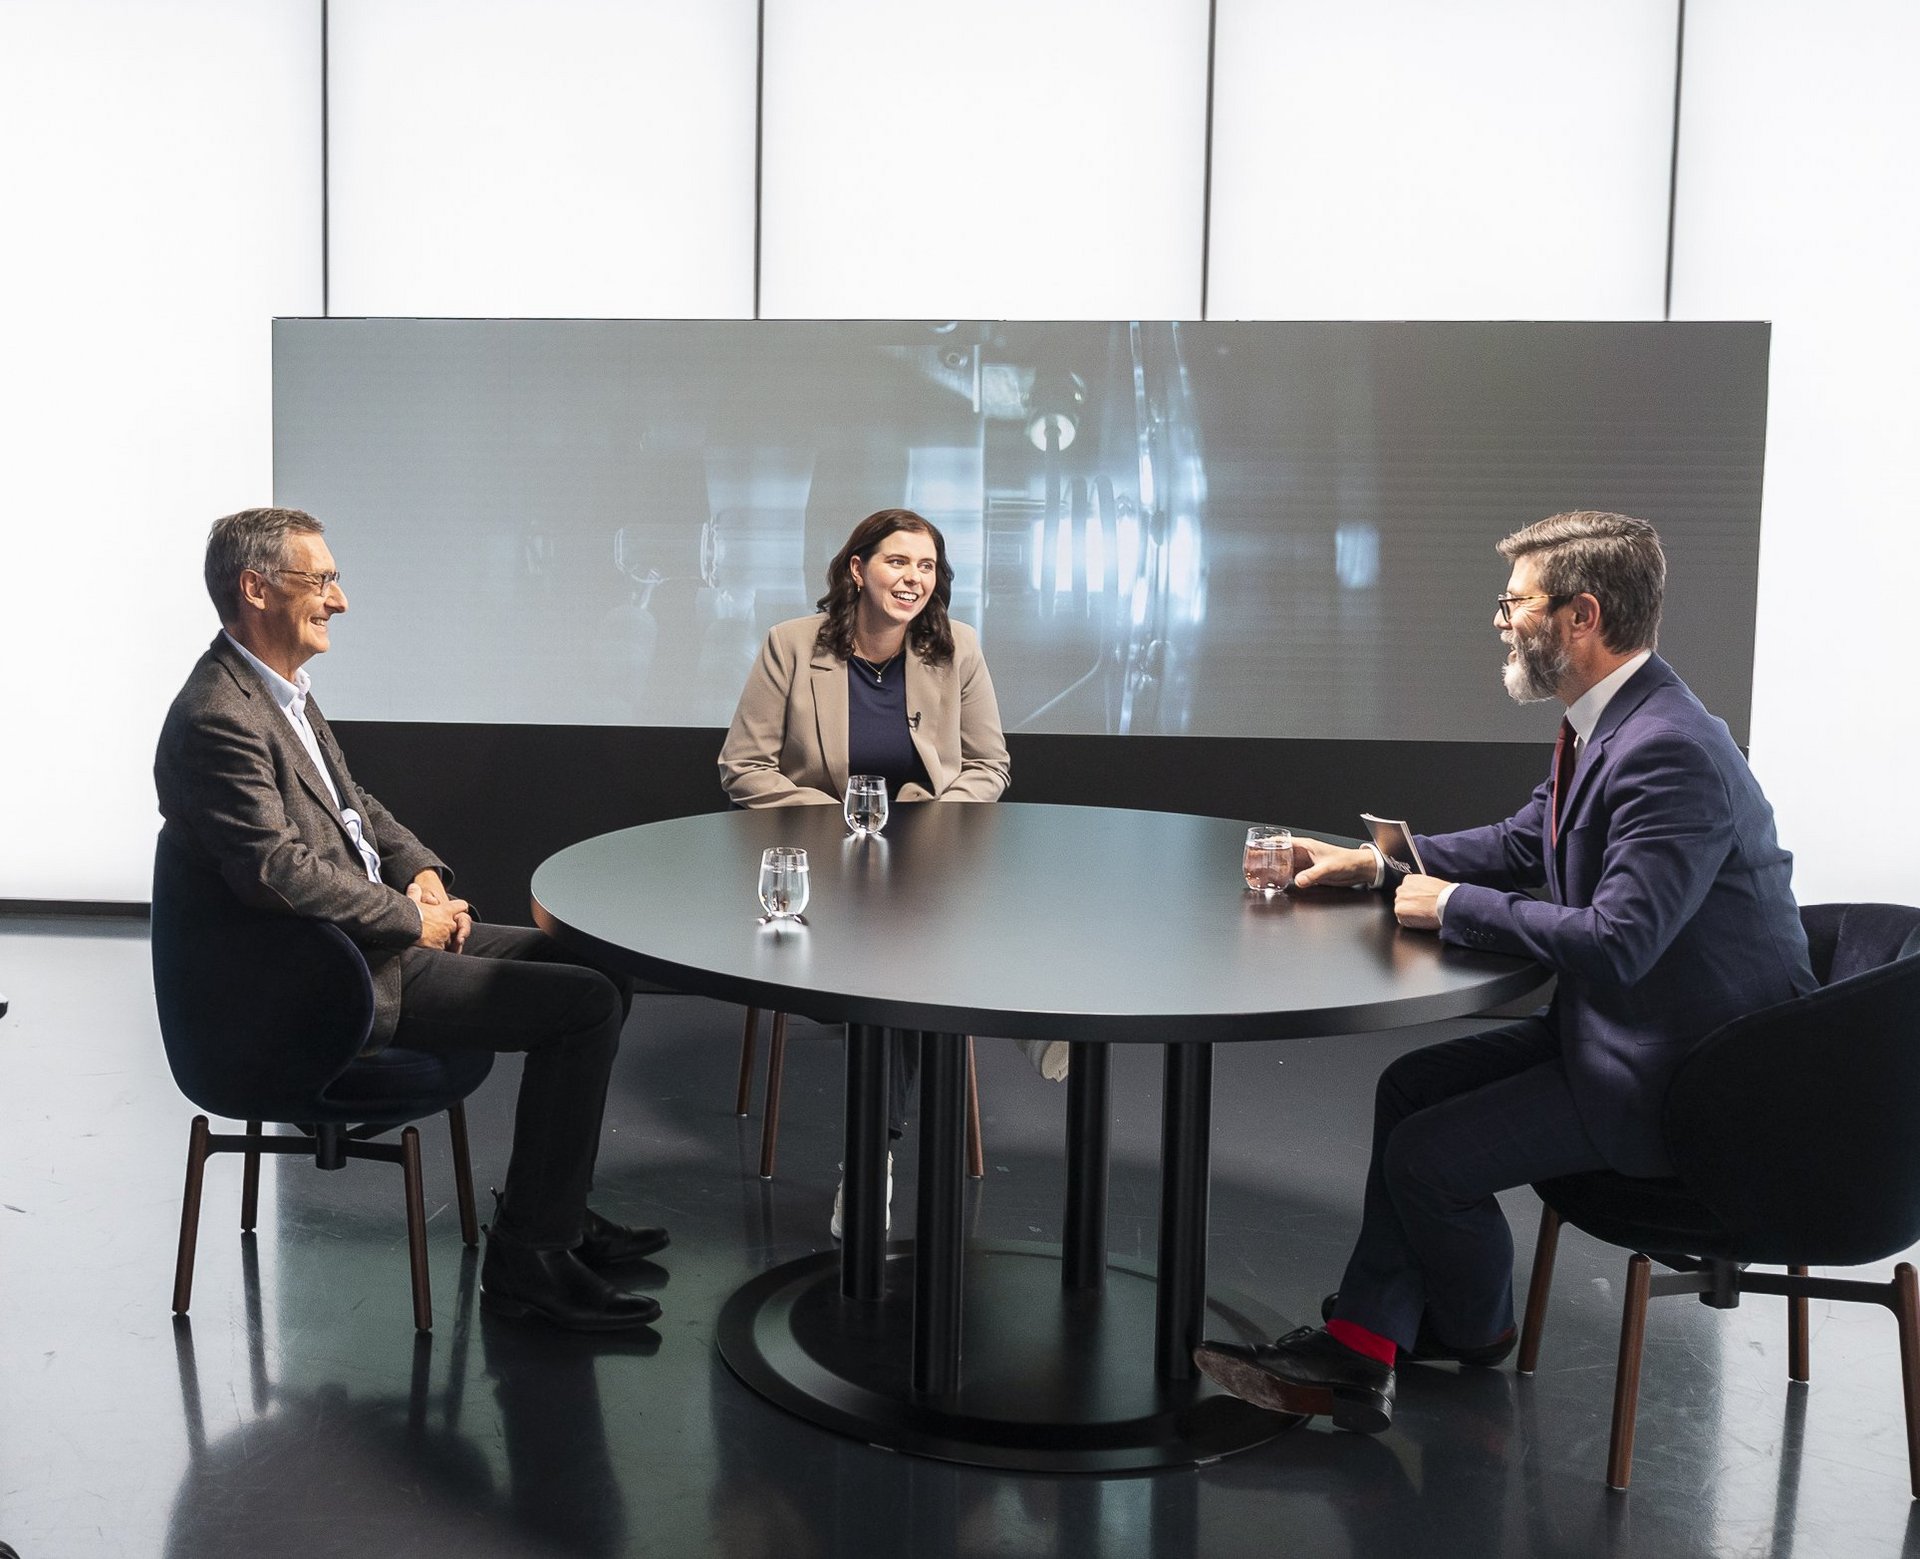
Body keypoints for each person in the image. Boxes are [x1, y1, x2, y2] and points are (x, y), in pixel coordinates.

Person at [1194, 510, 1814, 1433]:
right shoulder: (1612, 721)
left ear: (1581, 615)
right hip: (1624, 1035)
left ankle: (1414, 1341)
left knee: (1426, 1158)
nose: (1498, 619)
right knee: (1410, 1087)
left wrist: (1451, 905)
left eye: (1514, 601)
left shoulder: (1670, 749)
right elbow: (1528, 842)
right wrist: (1380, 864)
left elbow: (1621, 940)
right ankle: (1417, 1335)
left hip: (1685, 1081)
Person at [155, 507, 668, 1333]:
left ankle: (554, 1212)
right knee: (584, 1005)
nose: (340, 599)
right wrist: (408, 919)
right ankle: (529, 1260)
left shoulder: (277, 692)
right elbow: (276, 874)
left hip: (370, 942)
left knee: (599, 965)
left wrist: (421, 875)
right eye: (321, 579)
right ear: (255, 588)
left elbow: (354, 806)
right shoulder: (219, 714)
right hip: (328, 978)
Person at [719, 507, 1044, 1236]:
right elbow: (744, 767)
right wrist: (832, 818)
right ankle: (1026, 1026)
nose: (913, 579)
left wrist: (933, 815)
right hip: (822, 873)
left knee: (907, 948)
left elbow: (990, 765)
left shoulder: (956, 649)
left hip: (925, 871)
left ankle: (872, 1159)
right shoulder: (792, 646)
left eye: (927, 566)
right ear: (857, 568)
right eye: (898, 562)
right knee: (902, 965)